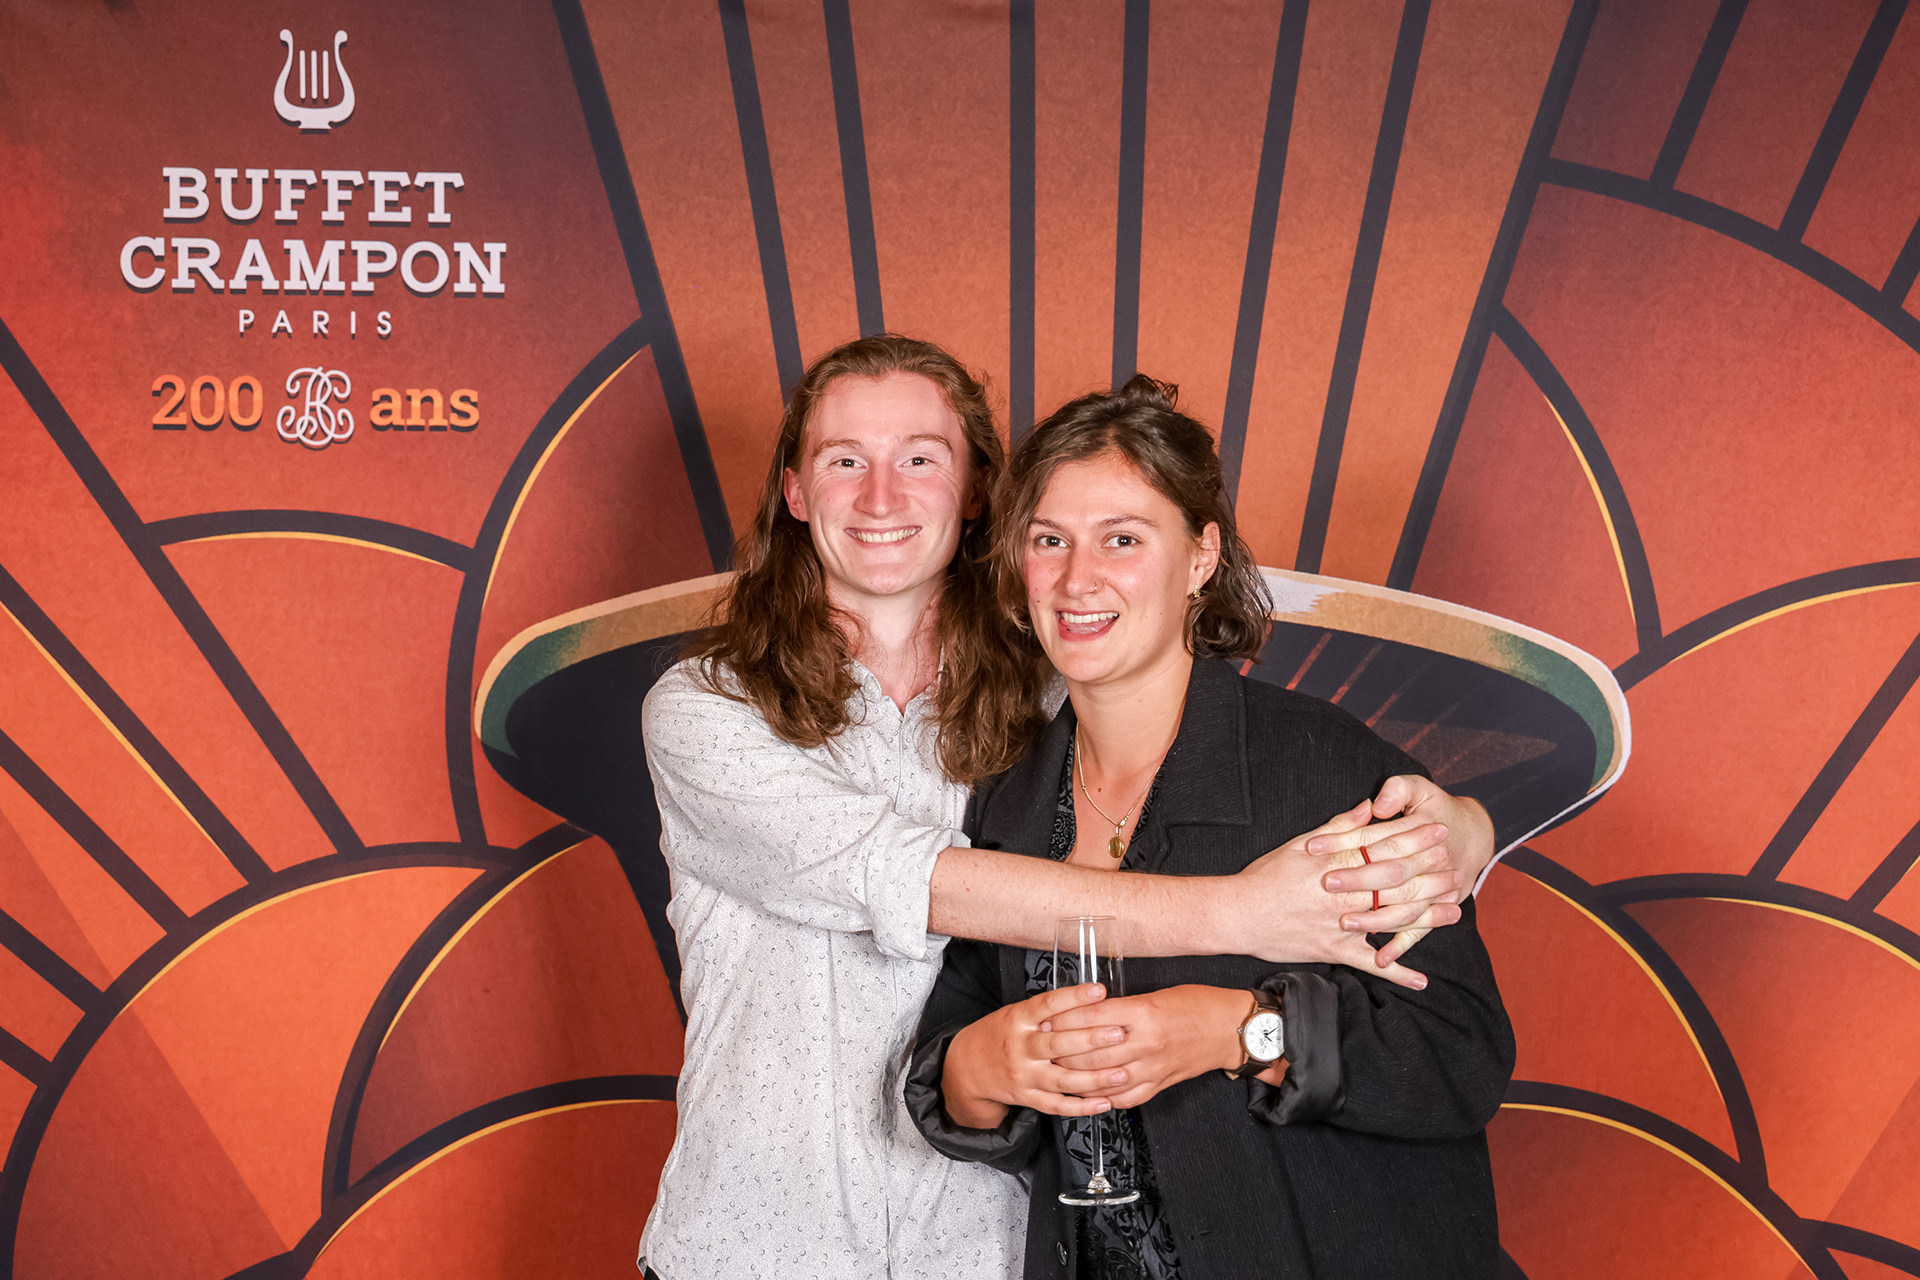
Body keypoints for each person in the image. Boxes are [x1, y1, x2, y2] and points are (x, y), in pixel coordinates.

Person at [637, 337, 1496, 1279]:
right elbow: (923, 908)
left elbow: (1454, 1043)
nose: (881, 497)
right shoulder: (715, 711)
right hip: (757, 1245)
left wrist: (1463, 829)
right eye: (846, 460)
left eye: (919, 458)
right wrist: (1235, 916)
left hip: (980, 1257)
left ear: (976, 493)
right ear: (796, 491)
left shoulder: (1053, 712)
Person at [907, 376, 1516, 1279]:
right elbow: (953, 1058)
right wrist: (978, 1069)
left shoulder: (1327, 770)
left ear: (1201, 556)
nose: (1077, 579)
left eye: (1122, 538)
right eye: (1049, 539)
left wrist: (1240, 1031)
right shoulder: (1009, 796)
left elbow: (1459, 1054)